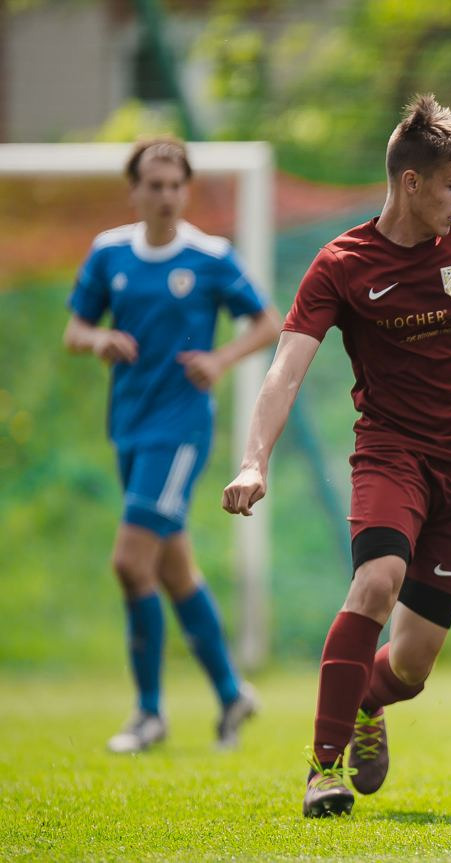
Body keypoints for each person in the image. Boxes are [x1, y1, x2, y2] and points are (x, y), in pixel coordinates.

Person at [221, 94, 451, 818]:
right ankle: (322, 768)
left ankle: (366, 700)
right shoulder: (341, 265)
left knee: (411, 666)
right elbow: (287, 369)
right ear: (411, 182)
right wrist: (253, 460)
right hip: (392, 456)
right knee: (377, 580)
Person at [64, 136, 279, 753]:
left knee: (130, 562)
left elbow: (267, 322)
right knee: (172, 568)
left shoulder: (210, 257)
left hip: (180, 429)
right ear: (134, 191)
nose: (165, 195)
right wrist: (98, 341)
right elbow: (75, 328)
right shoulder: (109, 253)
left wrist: (220, 359)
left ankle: (149, 714)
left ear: (186, 191)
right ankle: (232, 694)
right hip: (129, 425)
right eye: (154, 185)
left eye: (175, 185)